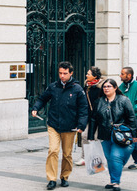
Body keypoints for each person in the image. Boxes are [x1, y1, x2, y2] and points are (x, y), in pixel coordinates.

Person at [31, 61, 88, 190]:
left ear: (71, 73)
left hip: (70, 127)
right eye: (60, 73)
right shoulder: (53, 86)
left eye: (65, 73)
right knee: (53, 151)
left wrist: (81, 125)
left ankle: (64, 176)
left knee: (67, 154)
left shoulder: (77, 89)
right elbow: (42, 98)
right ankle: (51, 179)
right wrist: (36, 108)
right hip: (54, 125)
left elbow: (83, 109)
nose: (62, 76)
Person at [87, 78, 136, 191]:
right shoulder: (99, 102)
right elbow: (93, 119)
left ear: (115, 88)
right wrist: (91, 136)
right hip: (105, 134)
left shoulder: (124, 100)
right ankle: (112, 180)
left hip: (120, 134)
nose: (106, 88)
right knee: (109, 158)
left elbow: (131, 117)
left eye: (109, 86)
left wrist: (134, 134)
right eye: (104, 86)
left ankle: (116, 182)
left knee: (115, 157)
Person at [75, 66, 103, 166]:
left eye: (89, 74)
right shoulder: (86, 86)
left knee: (95, 138)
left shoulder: (101, 87)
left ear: (95, 76)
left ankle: (96, 158)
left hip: (97, 117)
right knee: (84, 136)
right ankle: (84, 157)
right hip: (87, 116)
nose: (86, 75)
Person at [119, 67, 137, 169]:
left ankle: (135, 161)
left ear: (128, 75)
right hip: (124, 118)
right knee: (129, 139)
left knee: (133, 139)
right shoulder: (121, 86)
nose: (120, 75)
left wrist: (133, 109)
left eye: (122, 74)